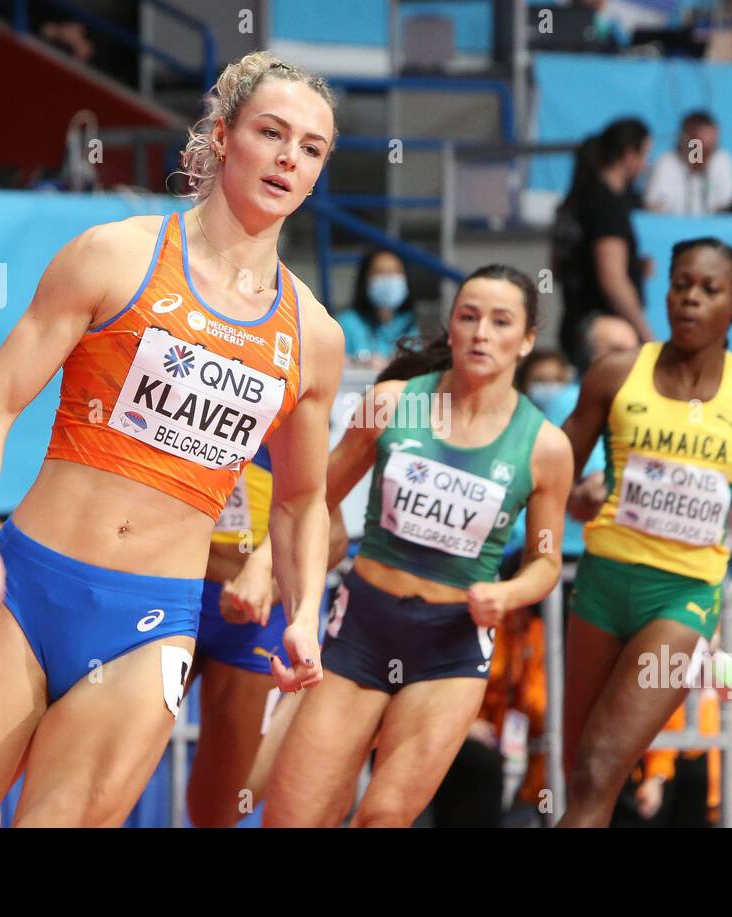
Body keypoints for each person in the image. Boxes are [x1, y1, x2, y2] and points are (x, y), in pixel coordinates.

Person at [0, 51, 344, 827]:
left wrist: (303, 612)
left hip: (153, 625)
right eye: (272, 133)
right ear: (224, 135)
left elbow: (303, 499)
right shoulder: (116, 254)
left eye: (311, 147)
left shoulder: (314, 336)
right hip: (23, 591)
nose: (288, 158)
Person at [262, 265, 574, 827]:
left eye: (501, 321)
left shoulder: (546, 447)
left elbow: (547, 559)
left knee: (383, 816)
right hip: (361, 627)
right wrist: (271, 573)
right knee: (292, 817)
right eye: (469, 317)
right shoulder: (392, 404)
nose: (481, 333)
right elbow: (310, 500)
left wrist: (508, 593)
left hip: (450, 646)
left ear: (526, 340)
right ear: (450, 327)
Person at [558, 237, 732, 827]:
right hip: (601, 582)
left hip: (682, 596)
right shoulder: (614, 374)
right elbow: (555, 466)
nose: (691, 299)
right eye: (682, 284)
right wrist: (572, 498)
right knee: (576, 769)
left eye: (710, 290)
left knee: (601, 763)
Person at [184, 445, 350, 827]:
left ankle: (292, 712)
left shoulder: (285, 423)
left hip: (250, 622)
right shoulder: (184, 404)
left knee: (217, 810)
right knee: (108, 760)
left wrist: (268, 590)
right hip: (171, 595)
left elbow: (335, 538)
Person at [552, 118, 654, 355]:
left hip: (572, 325)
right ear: (629, 155)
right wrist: (646, 336)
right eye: (645, 155)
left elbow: (555, 269)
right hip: (605, 334)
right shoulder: (608, 205)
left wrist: (634, 267)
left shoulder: (571, 203)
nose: (646, 165)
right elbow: (613, 281)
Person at [644, 110, 732, 216]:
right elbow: (653, 206)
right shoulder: (667, 163)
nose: (705, 154)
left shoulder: (722, 160)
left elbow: (726, 203)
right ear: (685, 142)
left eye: (711, 147)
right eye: (699, 146)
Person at [336, 248, 418, 367]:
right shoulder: (346, 324)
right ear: (365, 279)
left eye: (396, 272)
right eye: (381, 272)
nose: (389, 279)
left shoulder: (410, 325)